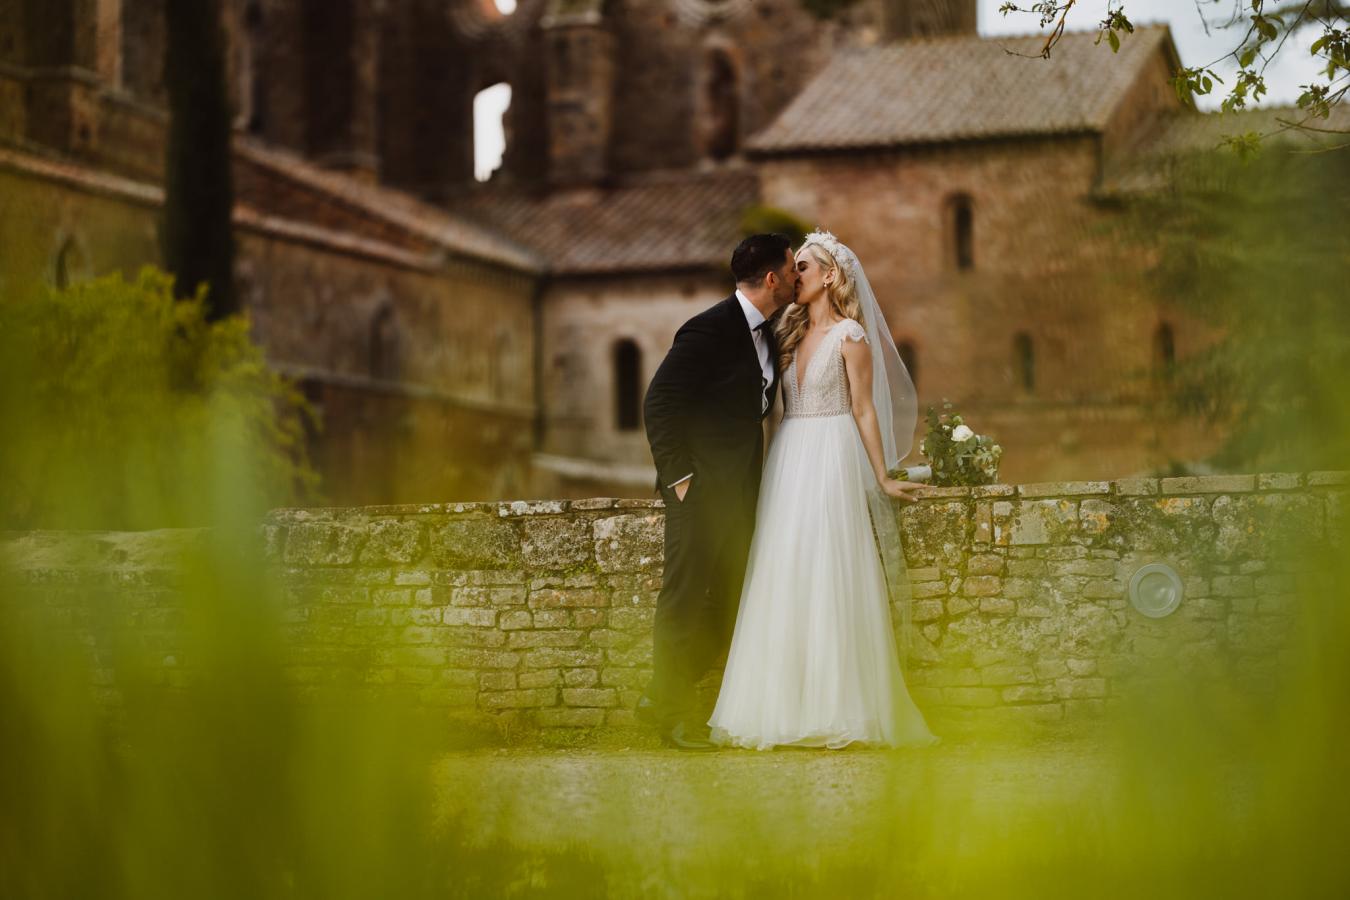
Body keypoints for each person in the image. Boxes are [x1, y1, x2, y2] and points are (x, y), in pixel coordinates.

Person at [708, 230, 939, 750]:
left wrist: (881, 476)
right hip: (788, 458)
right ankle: (779, 706)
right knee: (783, 571)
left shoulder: (850, 337)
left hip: (832, 454)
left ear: (830, 275)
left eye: (805, 267)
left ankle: (838, 705)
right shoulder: (783, 333)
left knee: (831, 569)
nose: (795, 275)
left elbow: (863, 408)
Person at [639, 233, 799, 750]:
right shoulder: (707, 329)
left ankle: (661, 694)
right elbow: (659, 403)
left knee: (734, 604)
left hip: (742, 496)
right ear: (772, 278)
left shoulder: (769, 335)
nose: (799, 276)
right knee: (684, 601)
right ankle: (674, 716)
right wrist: (681, 480)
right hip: (698, 494)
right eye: (794, 268)